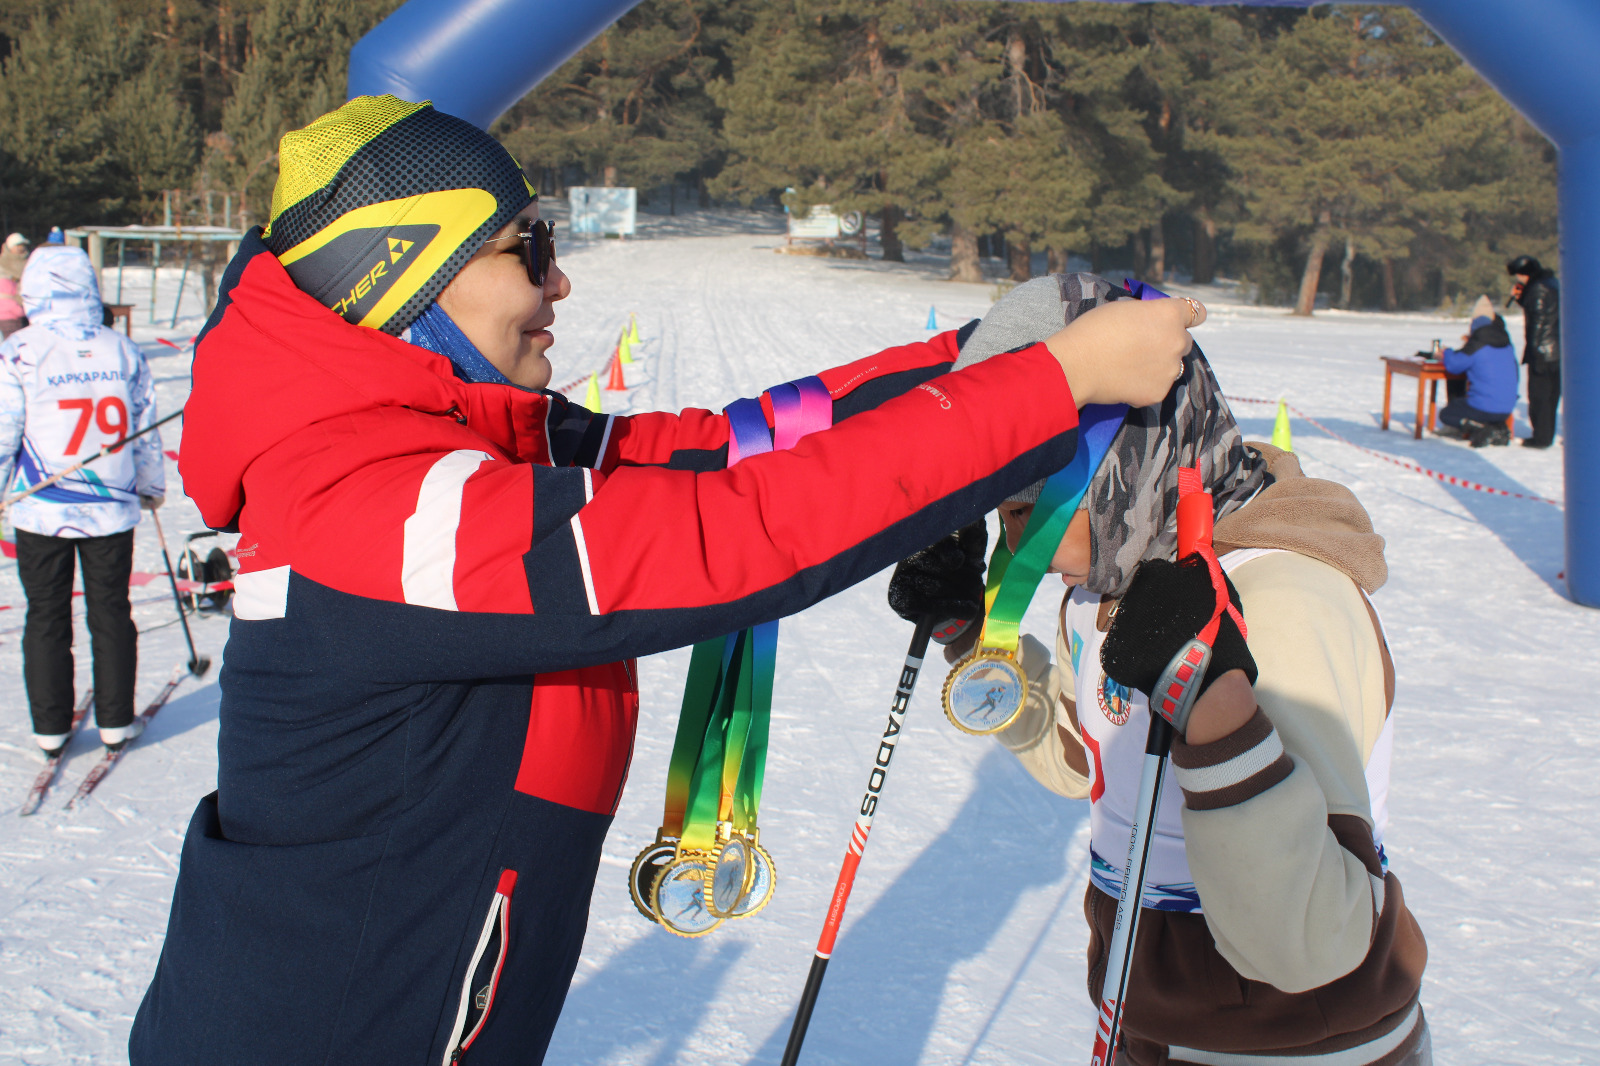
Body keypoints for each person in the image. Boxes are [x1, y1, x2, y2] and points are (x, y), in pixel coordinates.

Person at [128, 96, 1197, 1066]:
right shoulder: (377, 500)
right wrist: (1056, 386)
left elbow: (729, 452)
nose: (559, 280)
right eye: (528, 247)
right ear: (406, 272)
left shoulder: (462, 446)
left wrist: (980, 358)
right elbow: (733, 535)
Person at [890, 275, 1430, 1066]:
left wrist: (1217, 715)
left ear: (1119, 469)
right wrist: (975, 639)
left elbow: (1321, 937)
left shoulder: (1283, 599)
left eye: (1019, 511)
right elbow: (1090, 764)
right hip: (1157, 1018)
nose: (1018, 555)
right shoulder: (1116, 581)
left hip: (1301, 1043)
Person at [0, 243, 165, 757]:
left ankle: (51, 727)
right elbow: (145, 429)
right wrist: (152, 486)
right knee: (111, 611)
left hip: (42, 509)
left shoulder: (19, 349)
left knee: (46, 615)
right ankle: (116, 720)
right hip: (110, 507)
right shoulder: (123, 349)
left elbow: (4, 430)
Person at [1438, 294, 1517, 447]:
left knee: (1446, 413)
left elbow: (1454, 365)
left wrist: (1446, 353)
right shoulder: (1507, 344)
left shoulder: (1478, 343)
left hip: (1484, 408)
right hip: (1507, 408)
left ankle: (1482, 428)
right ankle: (1497, 427)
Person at [1507, 254, 1560, 448]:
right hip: (1558, 349)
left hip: (1543, 350)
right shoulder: (1551, 282)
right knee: (1552, 396)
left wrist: (1534, 350)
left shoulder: (1537, 289)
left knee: (1539, 397)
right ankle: (1546, 434)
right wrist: (1521, 299)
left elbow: (1537, 321)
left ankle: (1541, 438)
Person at [0, 233, 29, 337]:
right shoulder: (3, 265)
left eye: (22, 245)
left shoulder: (29, 262)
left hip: (28, 308)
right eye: (18, 246)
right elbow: (4, 295)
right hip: (11, 313)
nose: (21, 248)